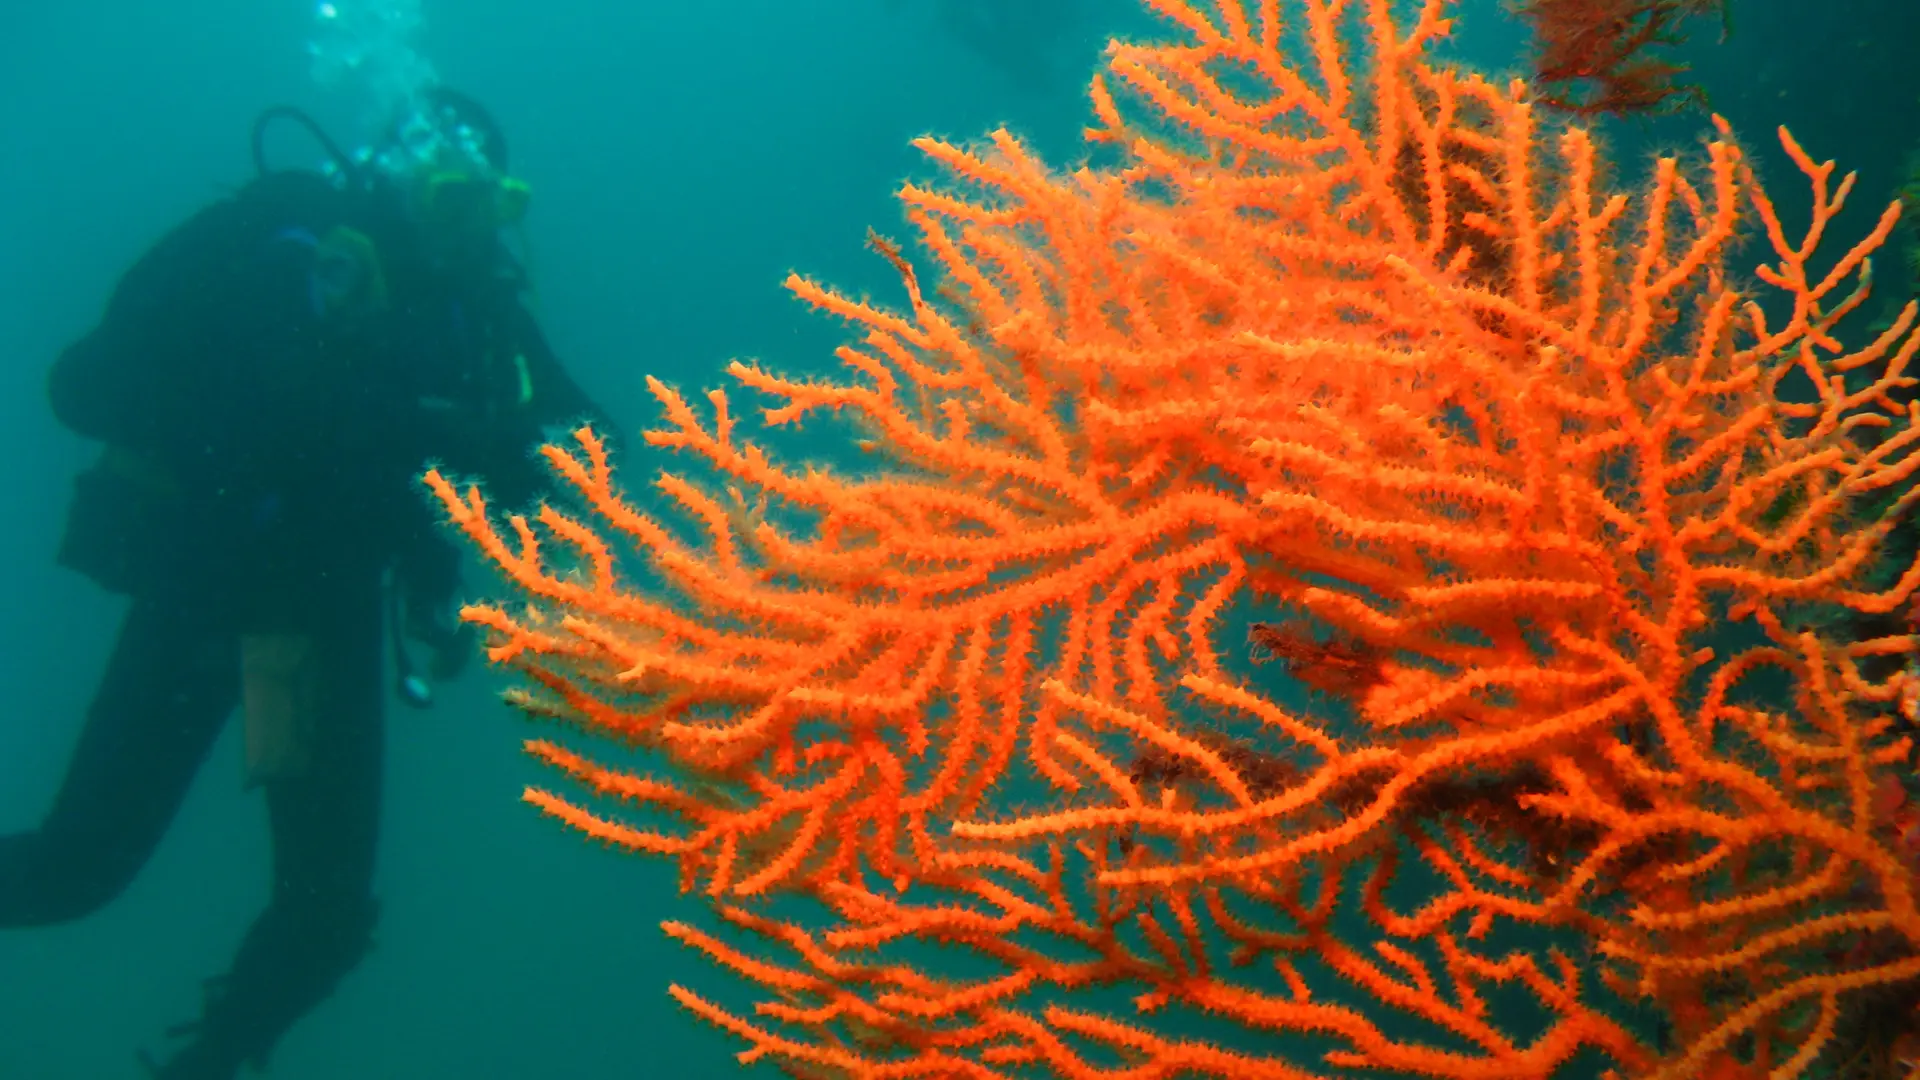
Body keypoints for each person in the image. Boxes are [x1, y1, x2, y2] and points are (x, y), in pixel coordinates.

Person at [0, 86, 615, 1079]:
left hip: (306, 639)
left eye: (489, 204)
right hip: (212, 593)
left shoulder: (476, 309)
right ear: (394, 178)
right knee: (79, 870)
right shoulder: (285, 242)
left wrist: (539, 458)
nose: (464, 226)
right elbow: (86, 384)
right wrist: (353, 396)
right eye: (448, 193)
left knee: (324, 916)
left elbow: (591, 449)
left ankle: (209, 1064)